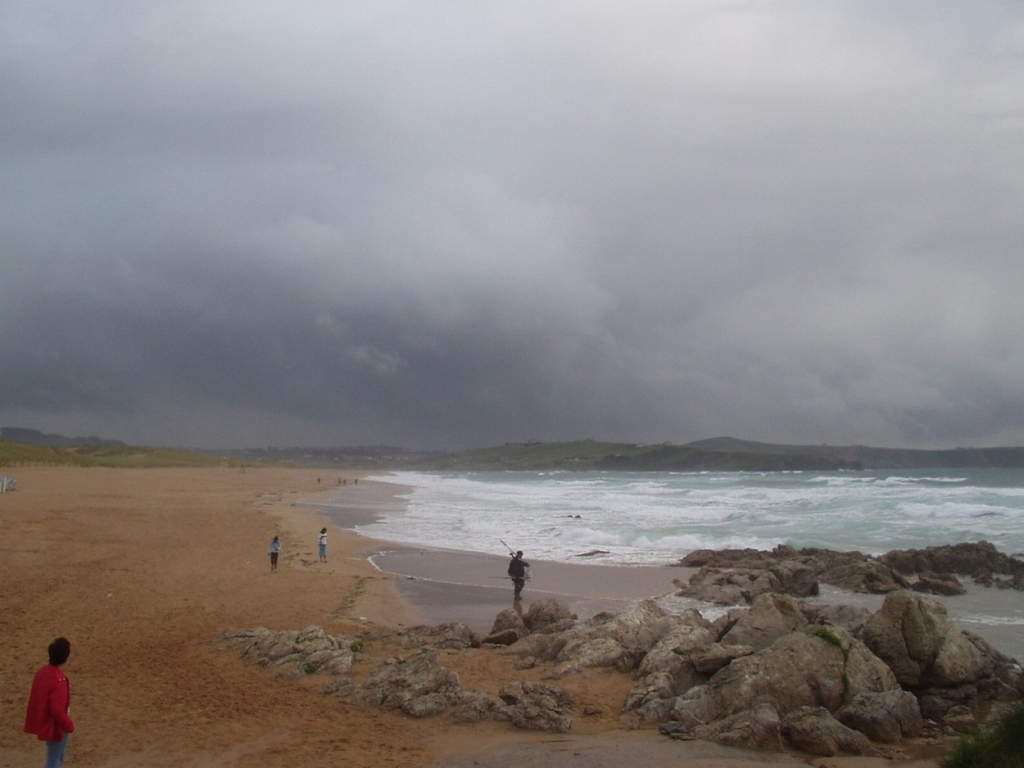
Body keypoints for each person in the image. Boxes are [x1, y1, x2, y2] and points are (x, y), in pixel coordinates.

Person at [25, 637, 75, 768]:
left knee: (56, 757)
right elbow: (57, 710)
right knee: (54, 760)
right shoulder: (59, 680)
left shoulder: (42, 672)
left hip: (47, 722)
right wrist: (69, 725)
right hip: (55, 726)